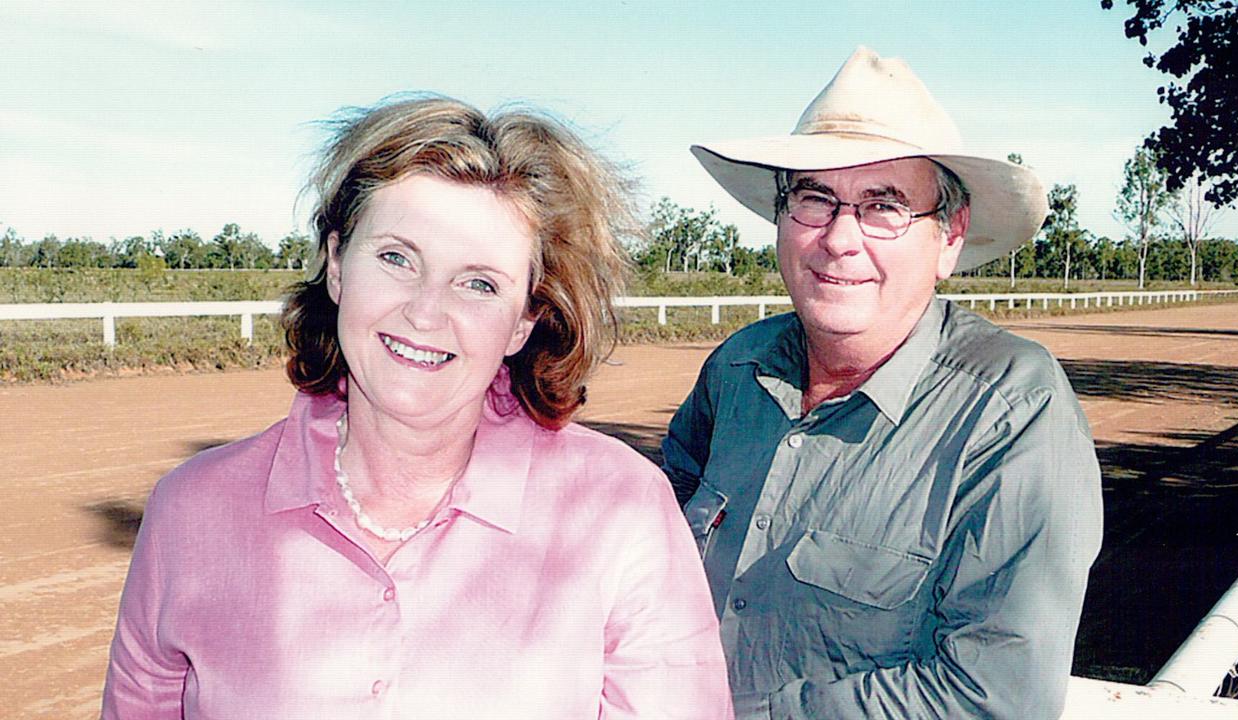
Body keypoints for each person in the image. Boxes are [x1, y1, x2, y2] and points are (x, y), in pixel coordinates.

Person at [103, 95, 731, 719]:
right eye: (397, 258)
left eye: (479, 282)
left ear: (524, 322)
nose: (425, 312)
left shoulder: (623, 509)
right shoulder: (190, 510)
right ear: (337, 265)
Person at [663, 47, 1103, 719]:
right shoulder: (736, 371)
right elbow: (645, 562)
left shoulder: (1010, 411)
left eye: (884, 207)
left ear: (950, 237)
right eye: (815, 199)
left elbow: (993, 696)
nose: (840, 238)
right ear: (782, 219)